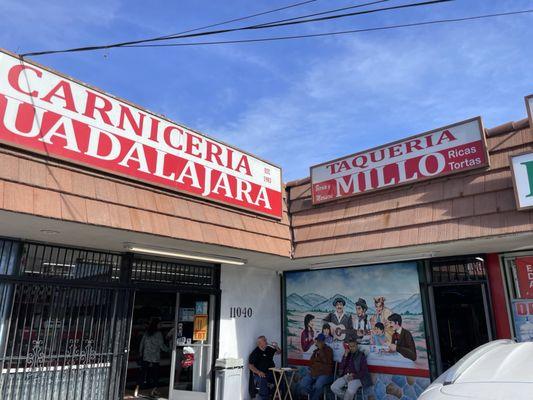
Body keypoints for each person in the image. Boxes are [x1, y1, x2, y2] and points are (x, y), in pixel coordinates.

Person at [138, 318, 169, 397]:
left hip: (146, 355)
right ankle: (154, 389)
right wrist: (169, 350)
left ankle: (142, 386)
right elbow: (161, 345)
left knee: (144, 371)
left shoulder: (147, 333)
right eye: (160, 324)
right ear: (156, 325)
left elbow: (142, 343)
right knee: (155, 373)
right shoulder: (159, 334)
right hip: (155, 356)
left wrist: (140, 352)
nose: (161, 325)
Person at [298, 334, 334, 400]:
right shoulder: (315, 351)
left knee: (318, 385)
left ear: (323, 342)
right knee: (302, 384)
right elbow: (311, 362)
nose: (318, 342)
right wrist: (310, 369)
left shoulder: (329, 350)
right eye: (317, 341)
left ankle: (314, 398)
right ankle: (313, 395)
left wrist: (321, 350)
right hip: (314, 373)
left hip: (325, 374)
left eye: (319, 341)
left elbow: (327, 361)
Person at [248, 335, 282, 400]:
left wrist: (276, 346)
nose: (266, 341)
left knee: (281, 377)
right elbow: (250, 366)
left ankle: (272, 394)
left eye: (266, 340)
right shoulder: (255, 352)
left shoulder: (269, 349)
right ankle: (265, 398)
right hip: (260, 373)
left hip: (271, 372)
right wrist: (259, 372)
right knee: (263, 379)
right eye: (264, 340)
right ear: (259, 343)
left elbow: (279, 352)